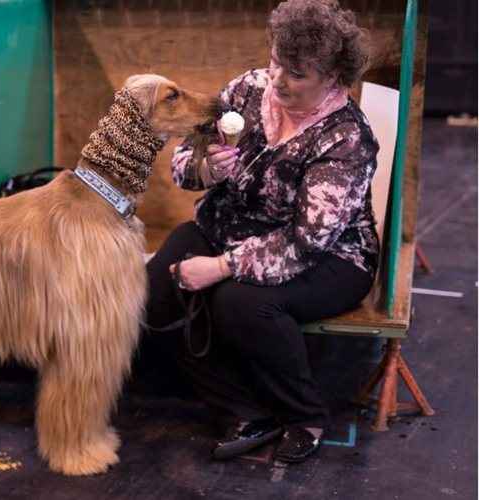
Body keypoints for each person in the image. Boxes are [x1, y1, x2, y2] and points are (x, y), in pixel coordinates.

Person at [145, 0, 379, 463]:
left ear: (331, 76)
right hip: (232, 225)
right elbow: (184, 160)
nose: (276, 79)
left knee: (240, 302)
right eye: (275, 62)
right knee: (154, 289)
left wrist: (221, 266)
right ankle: (245, 411)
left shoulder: (346, 138)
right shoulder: (247, 89)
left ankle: (304, 415)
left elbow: (308, 239)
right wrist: (205, 169)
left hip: (329, 256)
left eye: (295, 73)